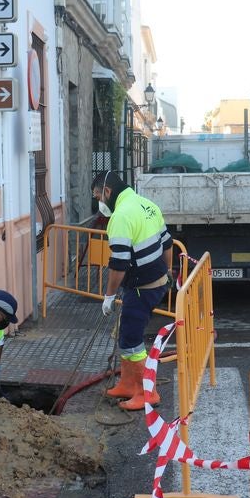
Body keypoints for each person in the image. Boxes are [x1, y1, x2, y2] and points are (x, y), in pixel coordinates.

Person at [92, 170, 173, 410]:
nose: (99, 202)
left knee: (131, 340)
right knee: (127, 333)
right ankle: (128, 384)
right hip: (155, 282)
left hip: (141, 288)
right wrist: (166, 273)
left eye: (98, 196)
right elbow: (167, 243)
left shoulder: (120, 217)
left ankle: (147, 393)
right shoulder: (147, 205)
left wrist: (108, 296)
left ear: (107, 192)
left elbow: (119, 264)